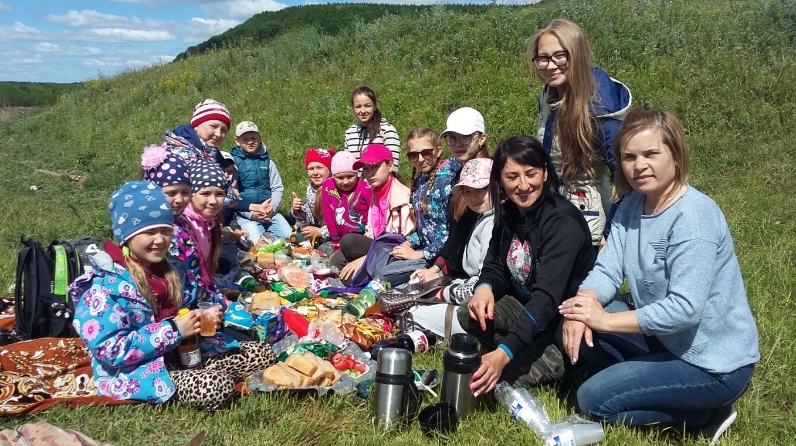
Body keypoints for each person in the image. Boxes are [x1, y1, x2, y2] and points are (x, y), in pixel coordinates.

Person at [558, 107, 759, 444]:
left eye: (651, 153)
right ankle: (650, 383)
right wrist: (585, 304)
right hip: (667, 340)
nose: (639, 165)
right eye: (629, 156)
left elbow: (684, 309)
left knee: (592, 400)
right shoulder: (631, 206)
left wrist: (604, 321)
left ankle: (705, 414)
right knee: (573, 325)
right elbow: (607, 268)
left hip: (712, 363)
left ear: (676, 156)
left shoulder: (694, 218)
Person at [69, 181, 276, 411]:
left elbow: (187, 308)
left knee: (262, 355)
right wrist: (174, 331)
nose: (159, 240)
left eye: (165, 231)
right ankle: (194, 381)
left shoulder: (173, 268)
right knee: (215, 387)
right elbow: (111, 350)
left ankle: (197, 375)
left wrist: (201, 315)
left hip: (185, 354)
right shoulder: (105, 285)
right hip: (139, 370)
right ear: (126, 235)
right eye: (148, 232)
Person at [459, 136, 596, 395]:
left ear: (545, 173)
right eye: (512, 177)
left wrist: (504, 353)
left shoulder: (561, 223)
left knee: (500, 383)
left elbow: (546, 299)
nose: (523, 185)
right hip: (527, 307)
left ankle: (563, 363)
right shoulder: (508, 213)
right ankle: (519, 345)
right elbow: (495, 265)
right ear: (499, 180)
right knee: (470, 312)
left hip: (560, 322)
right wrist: (485, 287)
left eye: (530, 174)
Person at [531, 19, 632, 247]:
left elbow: (626, 173)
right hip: (556, 207)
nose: (550, 65)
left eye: (560, 55)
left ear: (577, 53)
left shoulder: (596, 104)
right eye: (543, 58)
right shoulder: (549, 94)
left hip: (588, 220)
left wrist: (612, 228)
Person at [408, 158, 495, 340]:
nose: (474, 197)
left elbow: (482, 282)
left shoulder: (492, 225)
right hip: (468, 288)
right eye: (468, 192)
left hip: (482, 302)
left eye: (481, 189)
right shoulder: (483, 216)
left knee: (413, 313)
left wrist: (440, 293)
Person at [412, 107, 489, 282]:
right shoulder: (458, 174)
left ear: (482, 138)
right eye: (452, 138)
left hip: (480, 272)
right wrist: (437, 268)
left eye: (465, 137)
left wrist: (438, 270)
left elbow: (463, 232)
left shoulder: (487, 174)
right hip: (461, 264)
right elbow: (457, 230)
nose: (458, 144)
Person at [330, 143, 415, 282]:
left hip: (395, 253)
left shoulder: (402, 198)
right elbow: (371, 233)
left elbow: (400, 243)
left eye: (375, 167)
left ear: (390, 165)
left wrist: (364, 259)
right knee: (336, 262)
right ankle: (366, 274)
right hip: (379, 247)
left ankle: (371, 276)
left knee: (349, 242)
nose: (370, 173)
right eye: (366, 169)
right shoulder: (376, 193)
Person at [393, 128, 458, 265]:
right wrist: (410, 242)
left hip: (443, 258)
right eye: (414, 155)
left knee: (389, 274)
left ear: (438, 151)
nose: (420, 159)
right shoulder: (420, 180)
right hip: (424, 251)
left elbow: (449, 232)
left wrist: (420, 254)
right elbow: (425, 227)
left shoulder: (448, 179)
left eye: (426, 153)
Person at [229, 120, 292, 243]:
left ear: (260, 138)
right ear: (237, 141)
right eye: (245, 139)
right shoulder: (233, 163)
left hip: (269, 212)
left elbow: (277, 187)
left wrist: (271, 210)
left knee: (288, 237)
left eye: (254, 138)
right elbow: (232, 193)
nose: (250, 142)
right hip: (246, 214)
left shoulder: (268, 162)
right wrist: (252, 214)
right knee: (257, 243)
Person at [320, 151, 371, 251]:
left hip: (363, 236)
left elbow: (372, 213)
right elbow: (328, 215)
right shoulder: (327, 187)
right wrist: (335, 241)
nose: (346, 182)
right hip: (340, 238)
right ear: (333, 176)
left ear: (356, 174)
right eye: (340, 177)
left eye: (350, 176)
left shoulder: (365, 187)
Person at [344, 86, 401, 171]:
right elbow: (348, 166)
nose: (363, 111)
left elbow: (392, 167)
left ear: (374, 107)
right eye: (358, 106)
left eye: (367, 106)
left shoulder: (387, 131)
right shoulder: (350, 133)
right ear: (353, 108)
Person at [164, 98, 232, 165]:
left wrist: (227, 165)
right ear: (196, 126)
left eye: (223, 130)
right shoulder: (184, 146)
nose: (219, 134)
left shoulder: (208, 147)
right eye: (213, 126)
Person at [292, 148, 335, 244]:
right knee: (295, 238)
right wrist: (298, 210)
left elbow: (342, 223)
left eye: (320, 168)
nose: (315, 173)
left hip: (335, 236)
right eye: (311, 169)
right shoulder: (311, 189)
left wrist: (320, 232)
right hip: (319, 233)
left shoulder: (335, 190)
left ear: (330, 169)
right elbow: (308, 220)